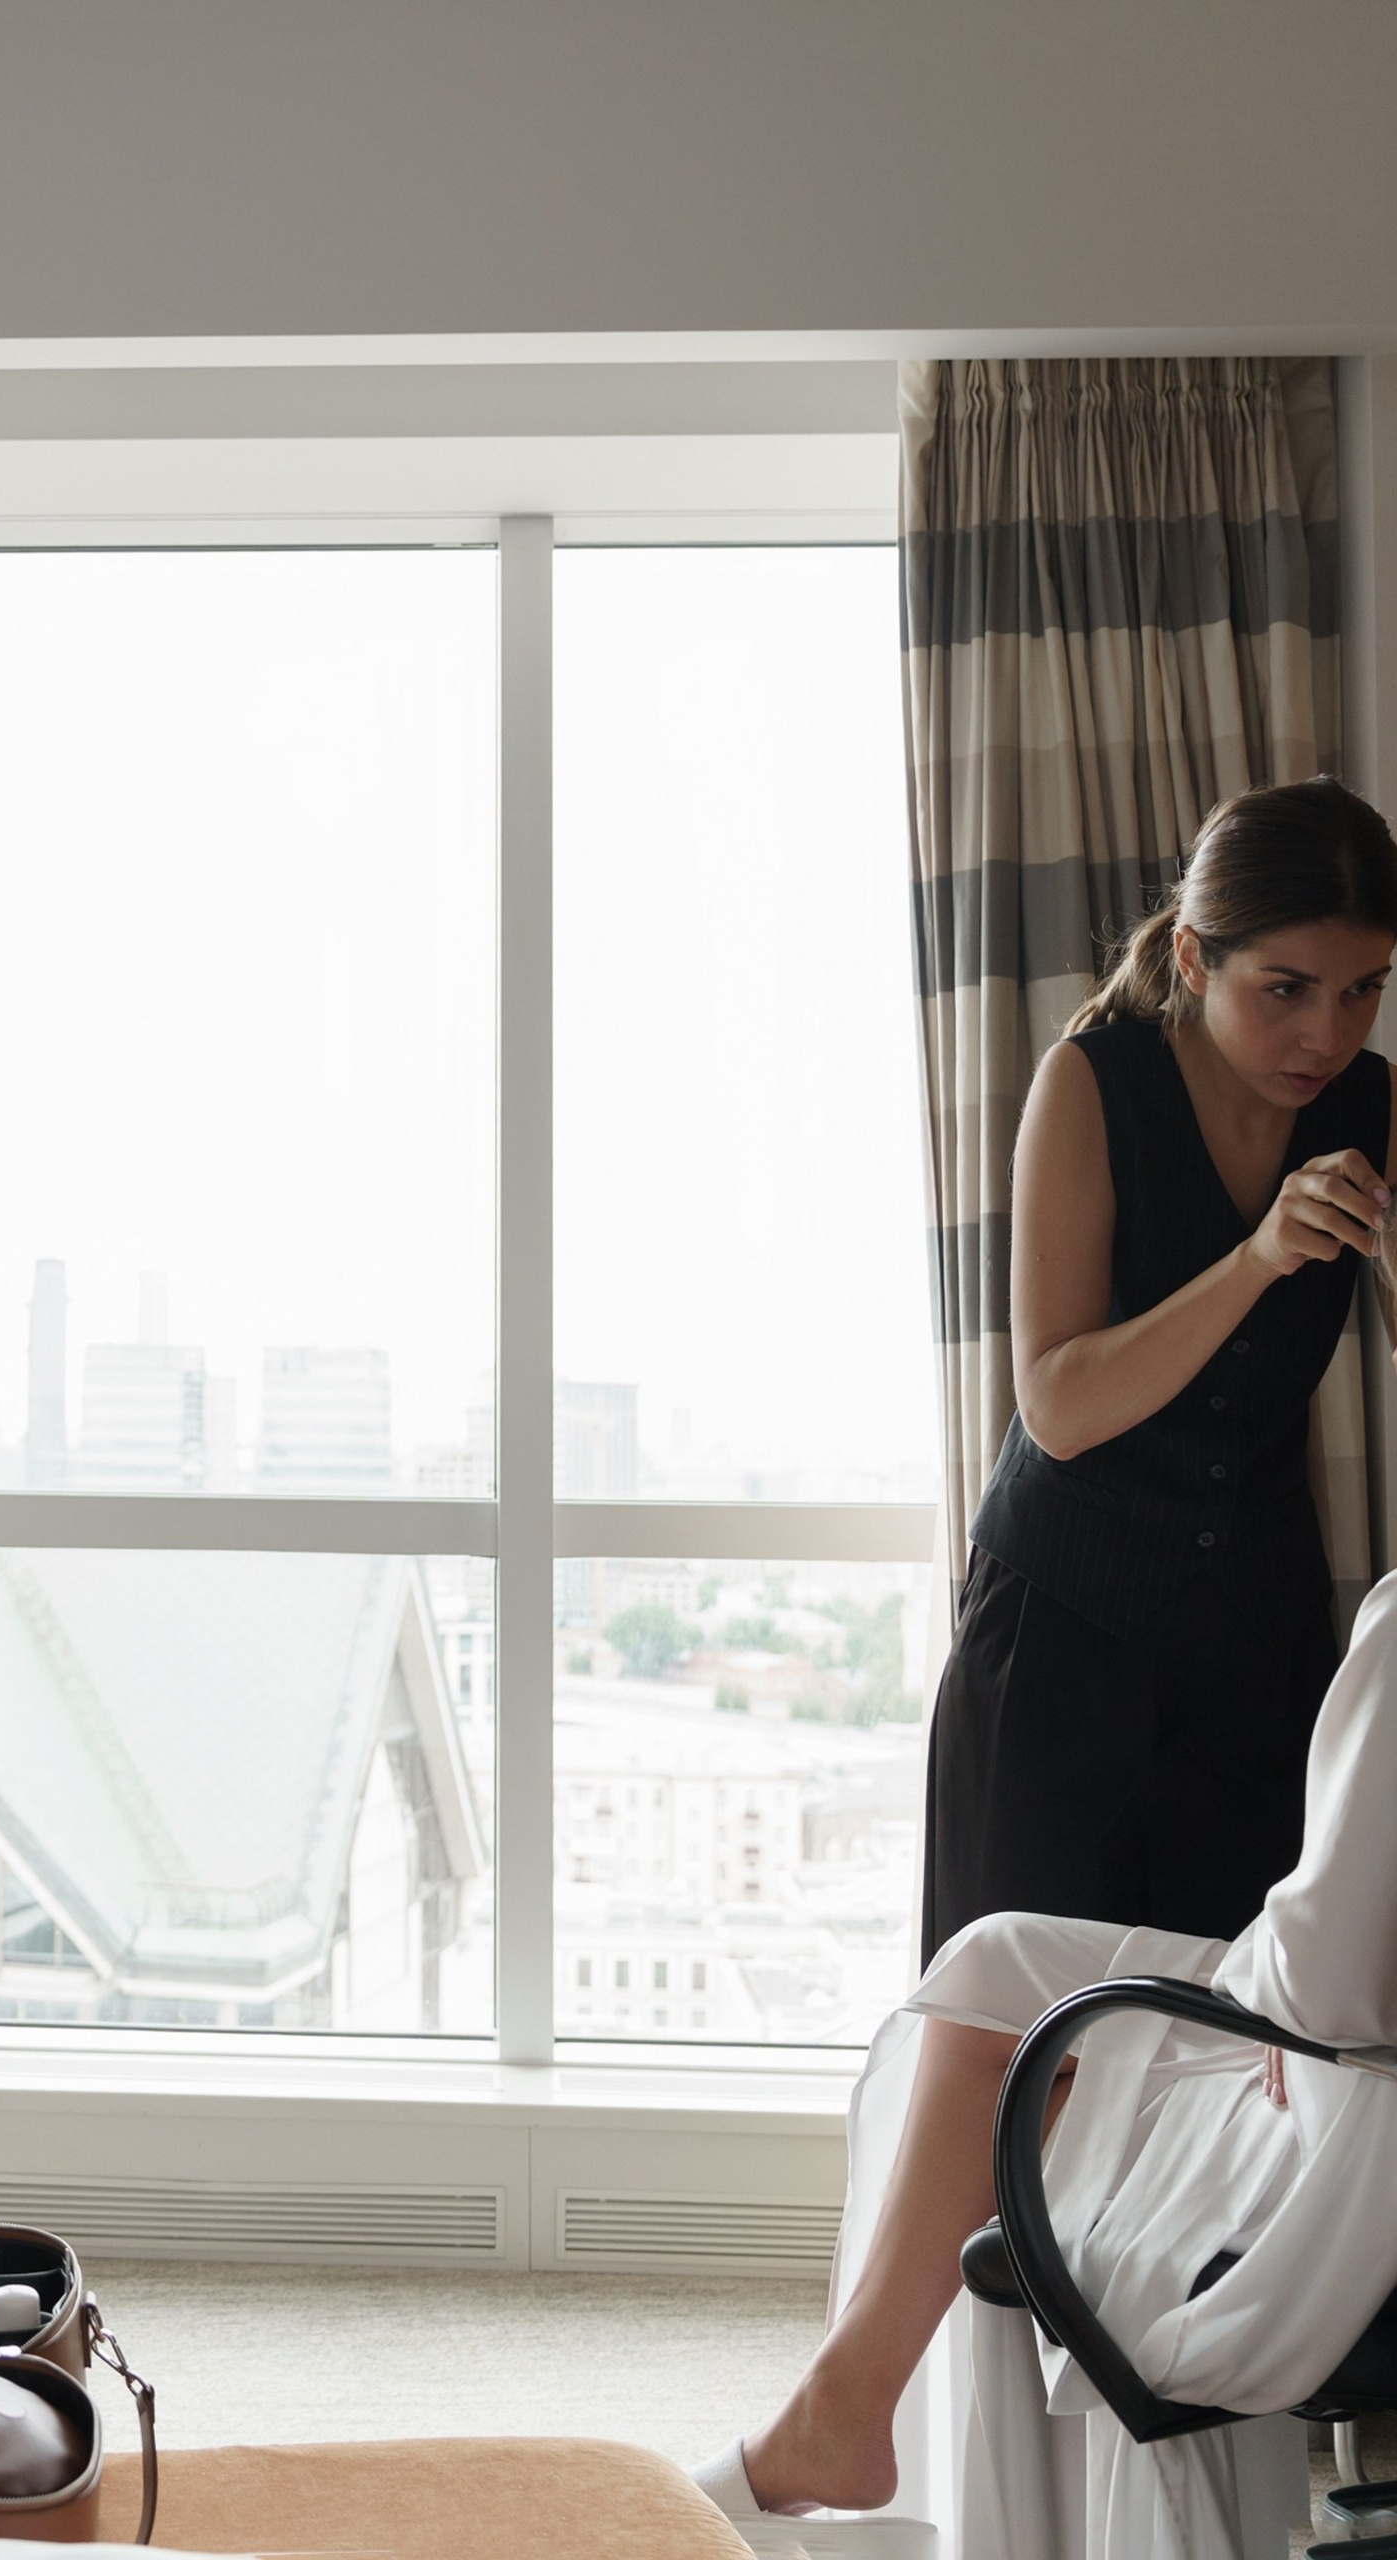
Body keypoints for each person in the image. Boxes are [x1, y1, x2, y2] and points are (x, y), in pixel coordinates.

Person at [702, 1561, 1397, 2559]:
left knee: (1009, 2067)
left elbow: (1329, 1980)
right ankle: (839, 2407)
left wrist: (1272, 1988)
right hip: (1362, 2048)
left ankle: (842, 2414)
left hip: (1357, 2102)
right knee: (995, 1966)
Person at [923, 777, 1397, 1963]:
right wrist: (1256, 1259)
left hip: (1261, 1652)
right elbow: (1060, 1406)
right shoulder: (1091, 1082)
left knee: (1234, 2055)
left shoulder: (1377, 1103)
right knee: (1017, 2054)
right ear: (1193, 955)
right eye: (1283, 988)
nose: (1326, 1035)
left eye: (1364, 991)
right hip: (1061, 1639)